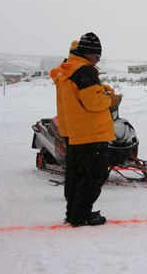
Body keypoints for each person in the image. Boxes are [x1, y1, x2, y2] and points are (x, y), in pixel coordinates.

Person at [50, 32, 120, 227]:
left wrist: (100, 89)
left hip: (74, 131)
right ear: (88, 53)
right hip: (92, 132)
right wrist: (110, 99)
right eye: (97, 54)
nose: (98, 58)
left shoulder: (67, 70)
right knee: (94, 174)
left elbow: (79, 96)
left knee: (76, 175)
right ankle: (82, 215)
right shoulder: (85, 71)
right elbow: (94, 102)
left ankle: (73, 212)